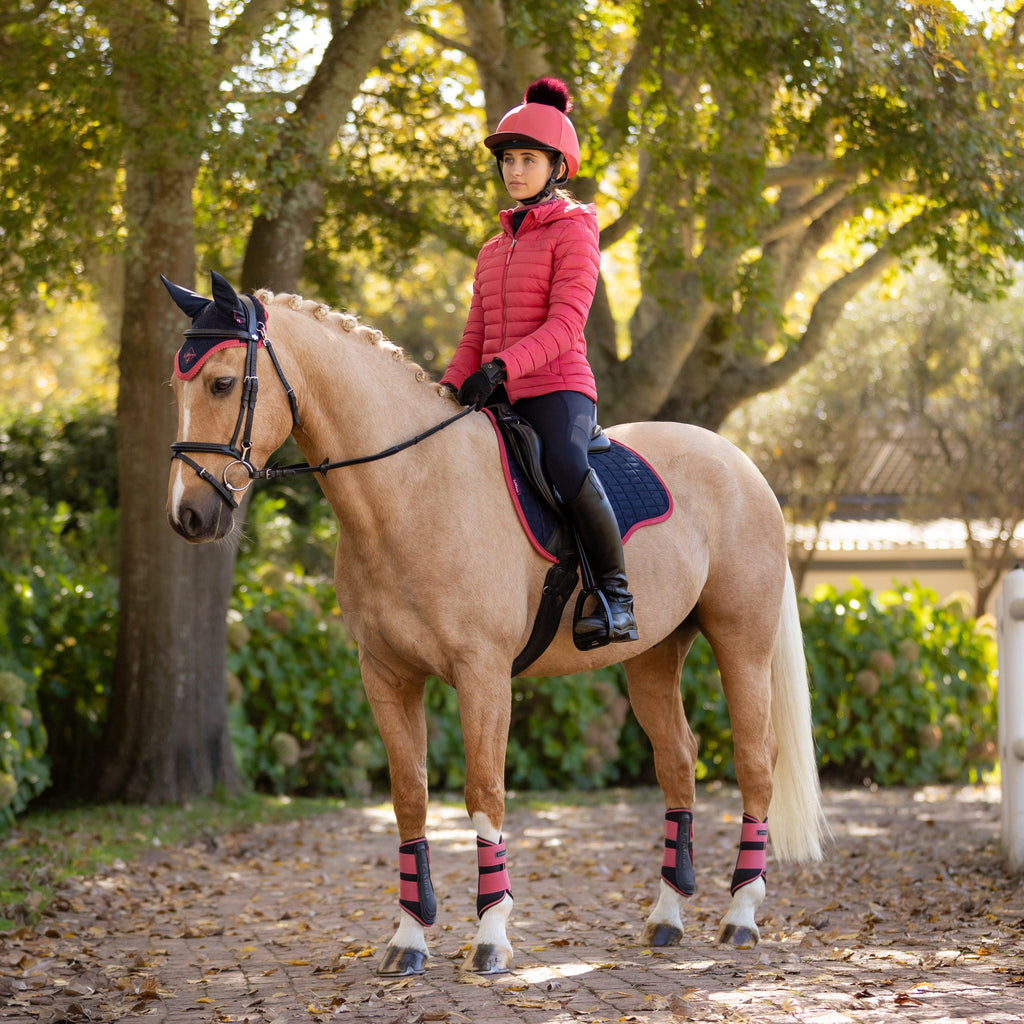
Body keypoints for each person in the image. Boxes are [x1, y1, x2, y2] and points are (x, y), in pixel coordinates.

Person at [440, 77, 637, 646]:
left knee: (567, 468)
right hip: (498, 390)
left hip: (558, 387)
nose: (515, 170)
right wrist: (450, 386)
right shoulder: (493, 248)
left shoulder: (575, 232)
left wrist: (501, 369)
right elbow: (474, 332)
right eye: (508, 160)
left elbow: (565, 325)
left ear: (558, 167)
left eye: (528, 159)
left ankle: (615, 595)